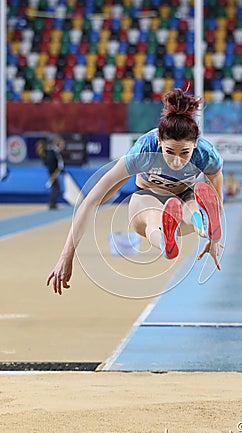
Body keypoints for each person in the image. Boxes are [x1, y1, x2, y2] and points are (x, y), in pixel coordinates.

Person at [47, 89, 224, 295]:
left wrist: (214, 239)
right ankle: (192, 226)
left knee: (161, 215)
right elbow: (92, 200)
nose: (176, 161)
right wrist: (66, 255)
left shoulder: (206, 154)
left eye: (185, 153)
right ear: (159, 142)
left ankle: (188, 230)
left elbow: (216, 198)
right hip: (151, 194)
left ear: (195, 144)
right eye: (169, 152)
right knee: (160, 211)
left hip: (181, 195)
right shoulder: (143, 150)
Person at [45, 135, 65, 209]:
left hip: (55, 172)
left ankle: (53, 203)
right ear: (58, 144)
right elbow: (50, 163)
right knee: (56, 188)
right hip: (53, 173)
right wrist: (52, 173)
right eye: (62, 144)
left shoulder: (57, 153)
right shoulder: (52, 152)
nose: (63, 146)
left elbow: (59, 163)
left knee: (56, 187)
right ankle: (52, 203)